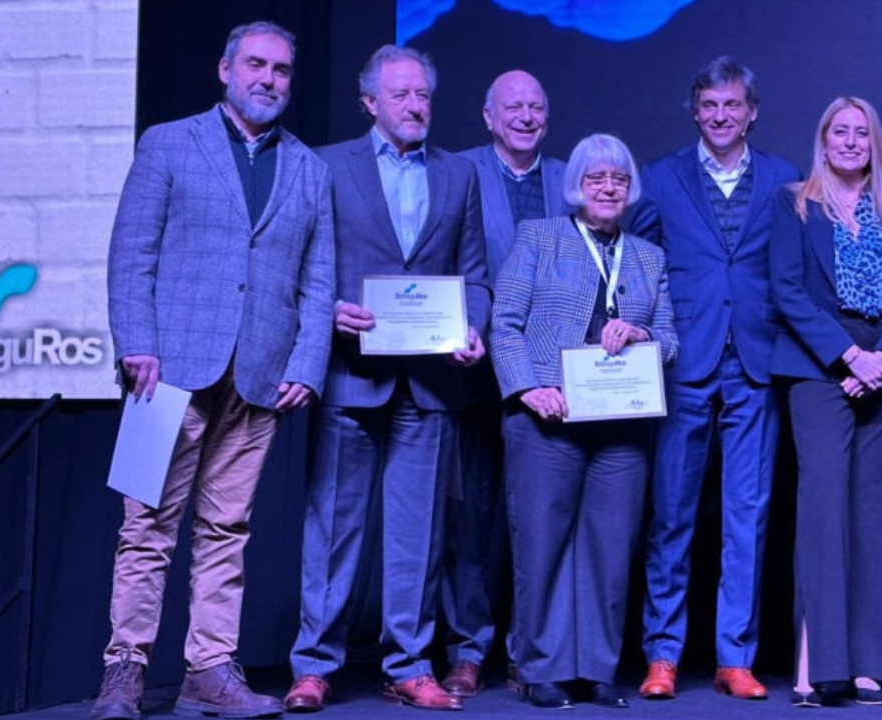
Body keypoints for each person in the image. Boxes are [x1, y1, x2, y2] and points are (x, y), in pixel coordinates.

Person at [95, 20, 335, 720]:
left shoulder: (309, 170)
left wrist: (308, 363)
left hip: (260, 376)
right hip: (163, 370)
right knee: (145, 526)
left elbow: (319, 281)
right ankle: (125, 671)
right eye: (256, 65)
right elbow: (131, 252)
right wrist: (135, 339)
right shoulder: (169, 143)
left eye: (282, 70)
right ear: (225, 70)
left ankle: (209, 668)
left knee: (228, 529)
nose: (269, 78)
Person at [284, 45, 489, 713]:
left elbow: (475, 274)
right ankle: (315, 665)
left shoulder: (459, 175)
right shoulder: (325, 164)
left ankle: (408, 665)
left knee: (418, 536)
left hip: (429, 384)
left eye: (423, 94)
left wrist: (473, 326)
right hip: (350, 374)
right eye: (400, 94)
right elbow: (302, 262)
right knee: (334, 529)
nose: (415, 105)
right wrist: (329, 308)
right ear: (369, 101)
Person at [626, 55, 800, 702]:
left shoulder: (785, 179)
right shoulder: (662, 178)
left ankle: (735, 656)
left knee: (746, 518)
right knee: (671, 514)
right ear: (695, 111)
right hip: (682, 363)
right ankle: (663, 655)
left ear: (751, 111)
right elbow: (639, 262)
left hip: (755, 361)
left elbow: (794, 268)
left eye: (732, 106)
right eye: (709, 106)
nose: (721, 116)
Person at [491, 134, 679, 710]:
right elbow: (504, 324)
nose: (607, 188)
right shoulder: (539, 238)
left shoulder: (648, 256)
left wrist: (644, 334)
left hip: (621, 426)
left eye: (618, 180)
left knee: (609, 548)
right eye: (596, 178)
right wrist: (528, 388)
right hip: (548, 417)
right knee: (542, 544)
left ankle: (597, 668)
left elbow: (670, 340)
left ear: (630, 189)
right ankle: (541, 667)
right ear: (576, 184)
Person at [769, 97, 882, 707]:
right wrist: (846, 356)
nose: (852, 141)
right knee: (824, 512)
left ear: (875, 141)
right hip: (818, 368)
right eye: (840, 131)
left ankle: (871, 664)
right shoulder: (795, 203)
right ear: (823, 138)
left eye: (862, 132)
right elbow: (785, 288)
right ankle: (816, 661)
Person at [441, 69, 569, 698]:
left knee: (537, 520)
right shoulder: (458, 172)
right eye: (512, 106)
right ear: (487, 116)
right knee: (471, 518)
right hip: (471, 370)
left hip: (548, 383)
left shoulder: (571, 180)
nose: (525, 115)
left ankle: (530, 650)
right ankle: (468, 649)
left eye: (536, 106)